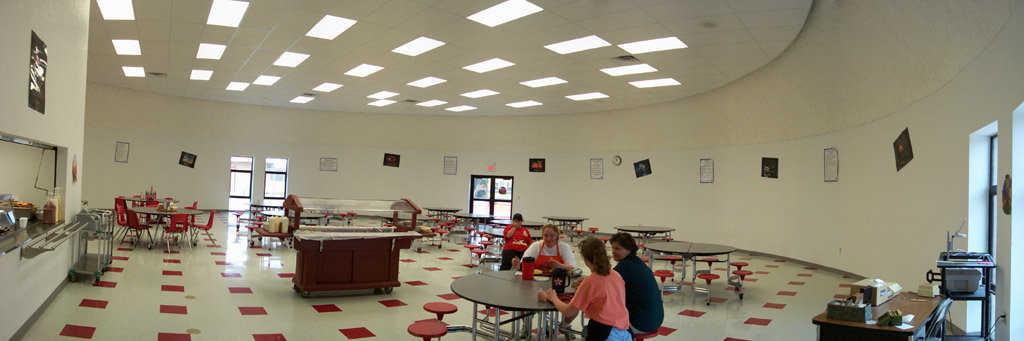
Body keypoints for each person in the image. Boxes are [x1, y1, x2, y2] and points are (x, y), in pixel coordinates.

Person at [538, 237, 631, 341]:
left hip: (604, 333)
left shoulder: (590, 282)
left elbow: (569, 312)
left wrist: (552, 297)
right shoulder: (616, 275)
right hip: (624, 331)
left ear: (586, 260)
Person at [609, 232, 664, 335]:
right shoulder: (637, 262)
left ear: (629, 249)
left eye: (617, 249)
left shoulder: (624, 267)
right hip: (655, 320)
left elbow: (604, 287)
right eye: (612, 248)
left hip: (641, 324)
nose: (613, 252)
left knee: (599, 324)